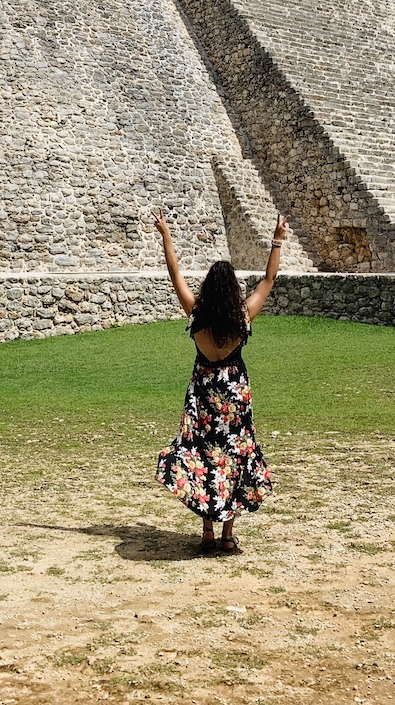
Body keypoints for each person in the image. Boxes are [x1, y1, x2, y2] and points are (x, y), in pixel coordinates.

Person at [152, 208, 287, 554]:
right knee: (233, 458)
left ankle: (207, 530)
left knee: (203, 456)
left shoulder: (196, 313)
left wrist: (166, 234)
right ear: (231, 290)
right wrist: (277, 239)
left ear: (209, 288)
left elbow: (174, 274)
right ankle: (228, 534)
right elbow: (268, 281)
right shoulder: (241, 316)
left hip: (203, 395)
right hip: (234, 397)